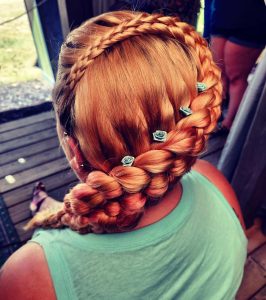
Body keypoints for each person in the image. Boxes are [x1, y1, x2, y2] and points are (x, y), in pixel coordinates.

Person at [0, 11, 247, 300]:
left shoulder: (29, 277)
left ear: (74, 151)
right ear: (188, 136)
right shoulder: (215, 183)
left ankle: (50, 209)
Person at [210, 0, 266, 132]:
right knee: (218, 73)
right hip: (221, 14)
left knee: (236, 77)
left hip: (249, 19)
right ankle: (214, 115)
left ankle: (229, 124)